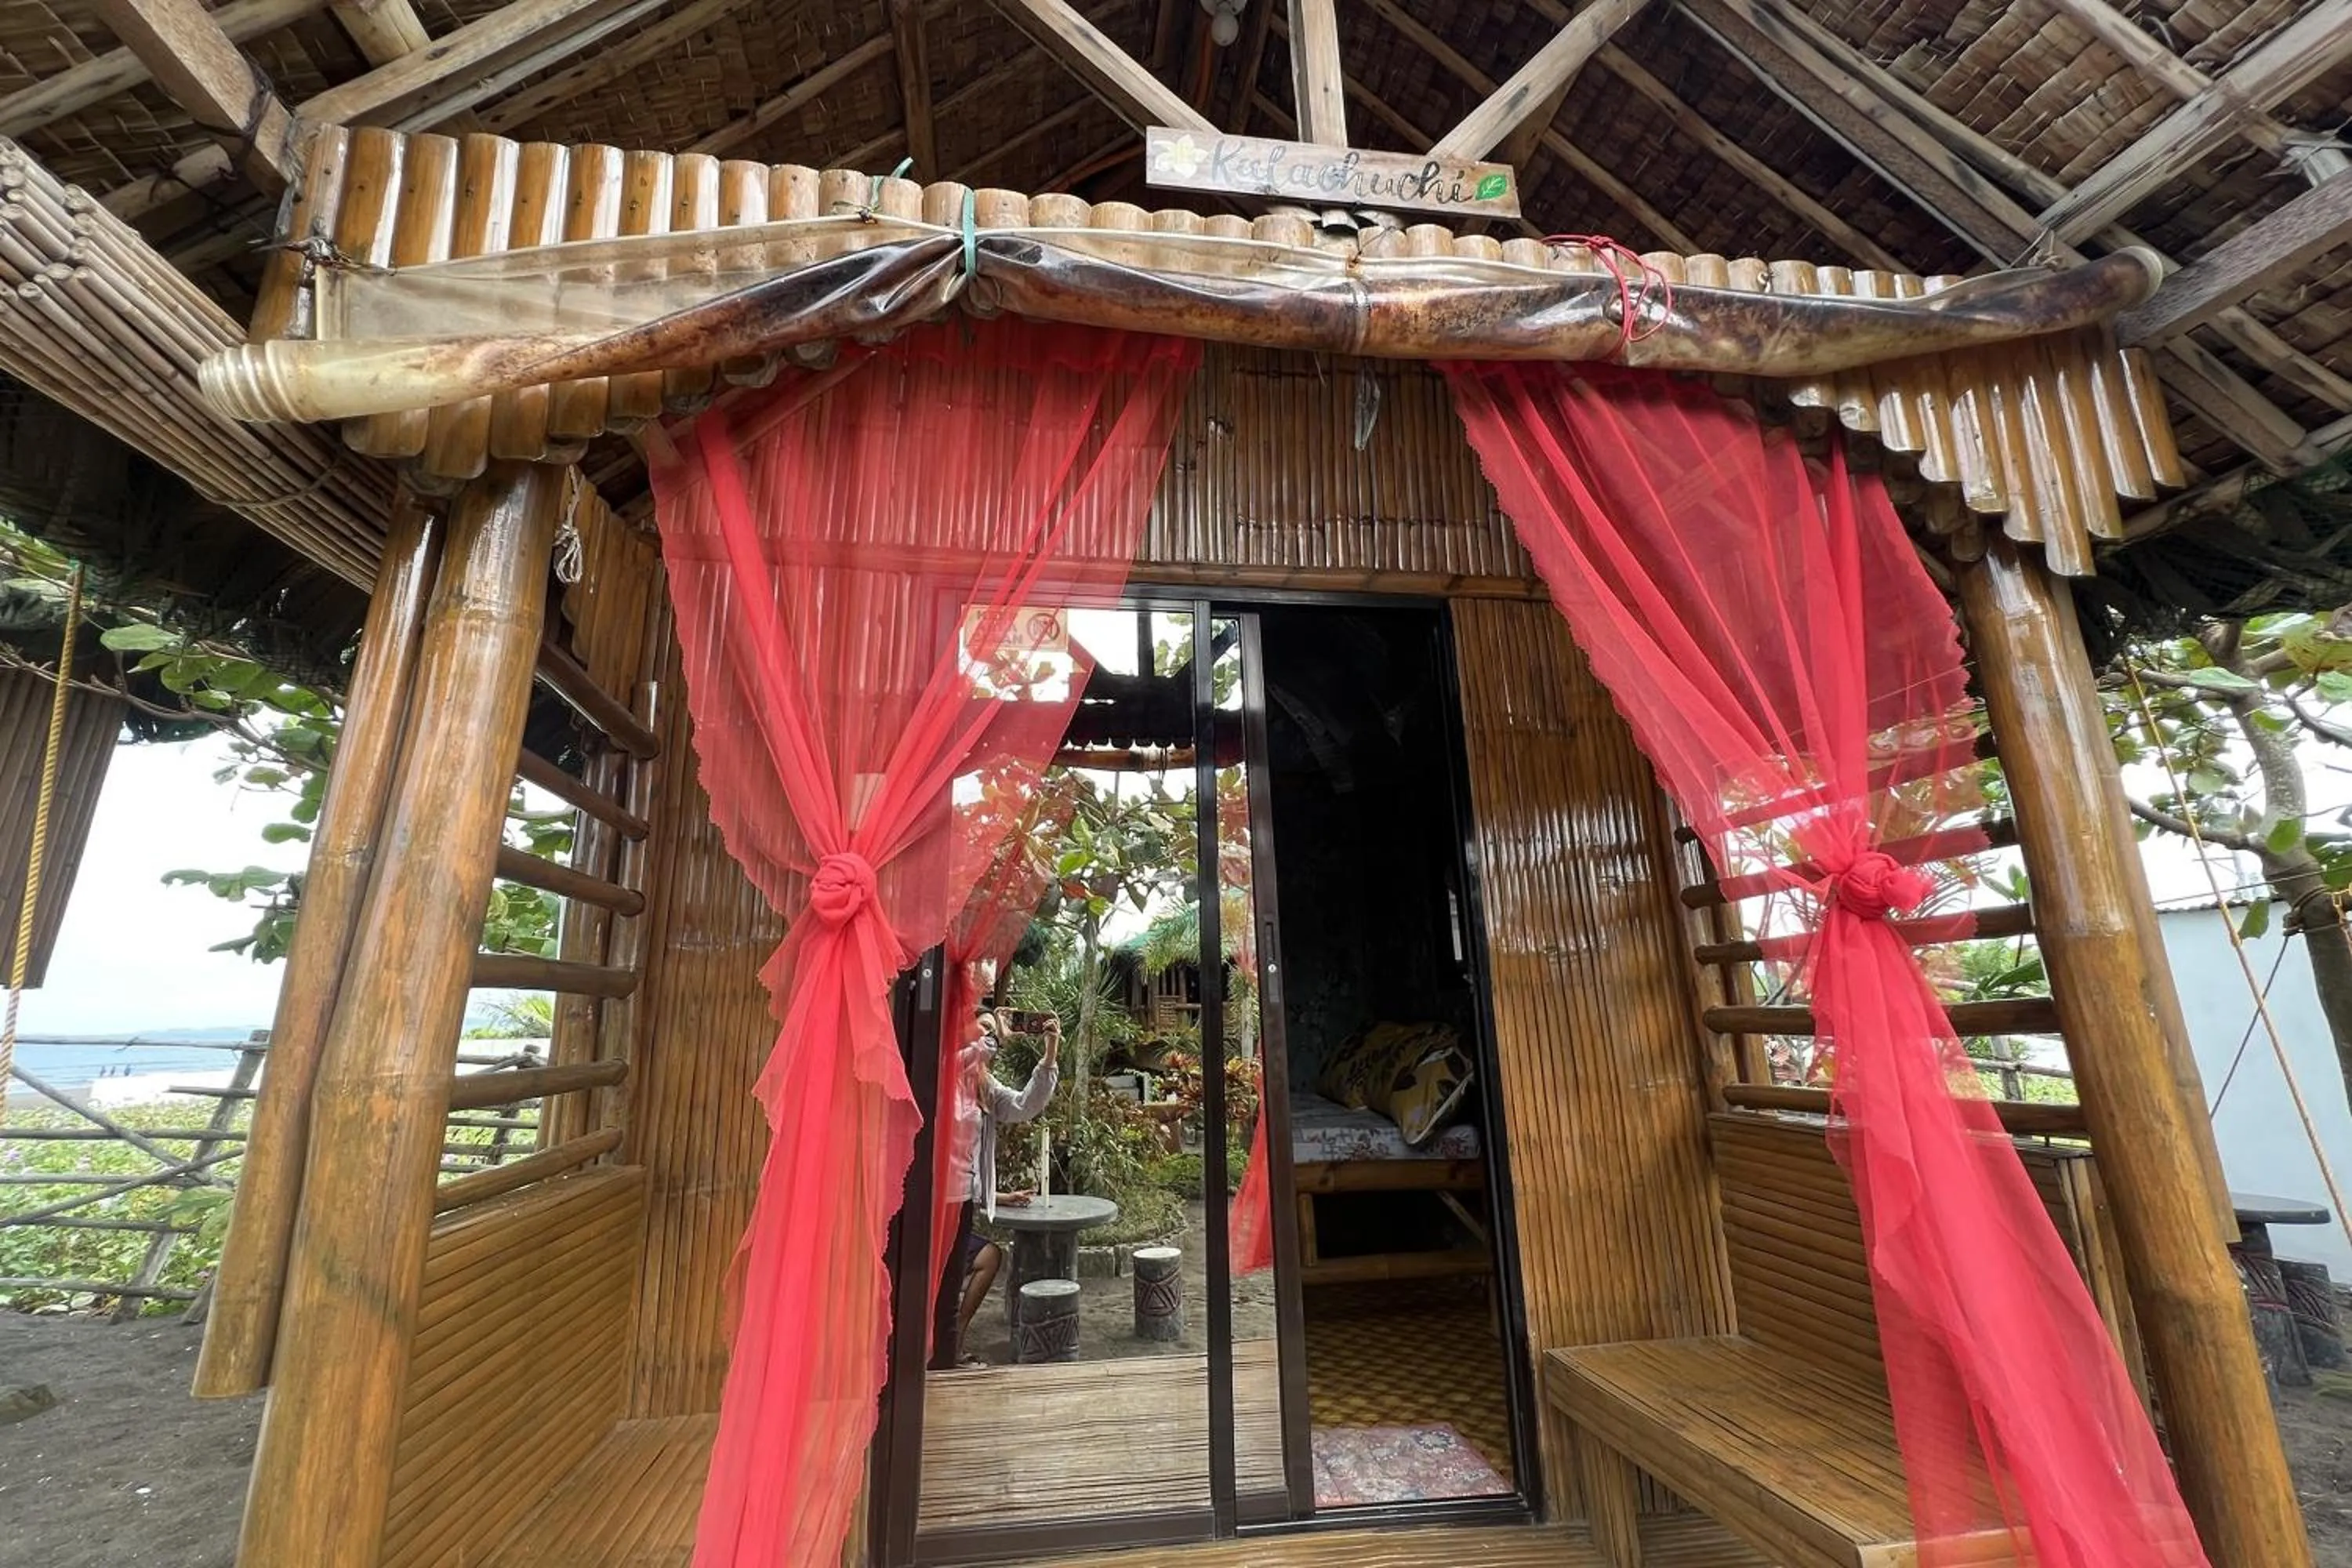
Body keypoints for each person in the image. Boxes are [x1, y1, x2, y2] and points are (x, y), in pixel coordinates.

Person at [929, 1009, 1060, 1370]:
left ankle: (948, 1348)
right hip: (932, 1200)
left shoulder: (982, 1084)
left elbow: (1024, 1106)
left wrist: (1049, 1052)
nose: (990, 1035)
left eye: (993, 1029)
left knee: (964, 1271)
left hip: (961, 1203)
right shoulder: (943, 1069)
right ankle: (938, 1354)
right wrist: (996, 1039)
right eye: (983, 1028)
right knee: (936, 1281)